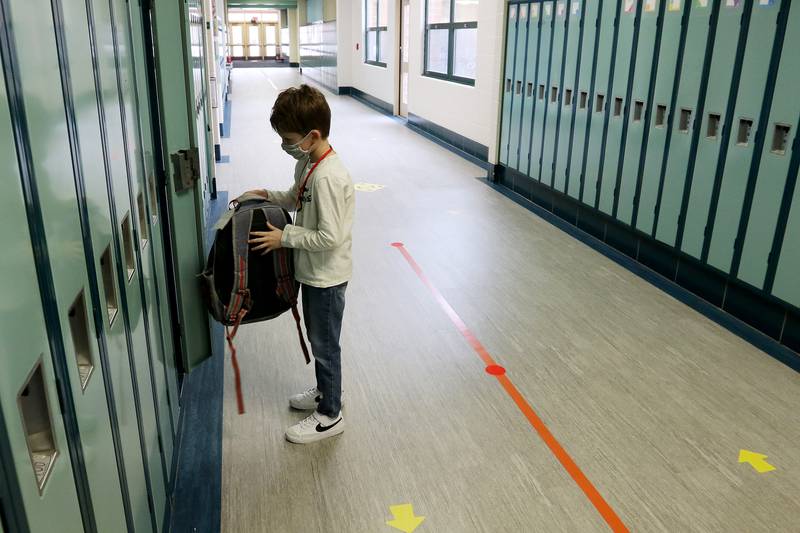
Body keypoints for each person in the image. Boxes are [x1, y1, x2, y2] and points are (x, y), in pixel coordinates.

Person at [243, 84, 354, 444]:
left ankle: (330, 414)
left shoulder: (329, 178)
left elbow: (330, 237)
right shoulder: (309, 162)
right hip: (313, 272)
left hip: (327, 277)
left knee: (324, 345)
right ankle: (325, 391)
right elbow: (295, 199)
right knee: (318, 337)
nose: (285, 145)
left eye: (289, 138)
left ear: (313, 135)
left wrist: (284, 237)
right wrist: (266, 195)